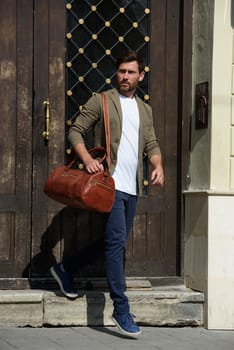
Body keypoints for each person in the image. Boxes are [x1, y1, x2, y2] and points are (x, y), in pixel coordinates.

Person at [50, 51, 164, 338]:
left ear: (141, 75)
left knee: (113, 241)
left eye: (131, 72)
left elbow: (151, 142)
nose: (125, 77)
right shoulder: (102, 100)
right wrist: (87, 158)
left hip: (132, 187)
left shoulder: (144, 109)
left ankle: (66, 269)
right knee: (115, 245)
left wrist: (158, 165)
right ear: (117, 74)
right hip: (109, 186)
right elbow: (75, 131)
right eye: (121, 71)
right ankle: (121, 309)